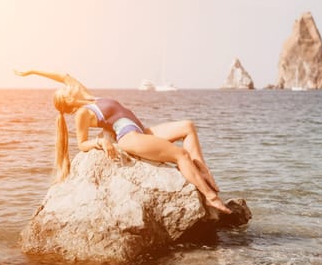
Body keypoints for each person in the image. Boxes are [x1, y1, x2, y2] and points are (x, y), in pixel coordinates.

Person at [14, 70, 232, 214]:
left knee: (188, 126)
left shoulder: (90, 97)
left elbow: (64, 76)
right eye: (66, 90)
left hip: (143, 131)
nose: (70, 85)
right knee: (180, 154)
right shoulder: (82, 113)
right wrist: (101, 142)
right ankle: (211, 197)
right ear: (68, 100)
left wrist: (32, 71)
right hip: (129, 137)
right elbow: (81, 143)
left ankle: (202, 170)